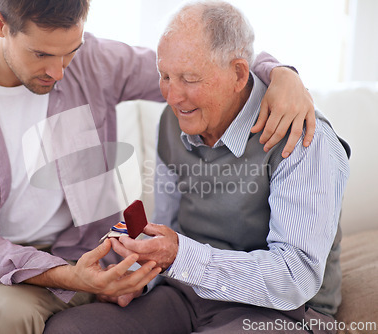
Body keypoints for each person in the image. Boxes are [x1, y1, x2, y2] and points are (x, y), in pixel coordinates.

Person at [0, 0, 316, 333]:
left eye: (70, 51)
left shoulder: (94, 62)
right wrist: (74, 278)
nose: (60, 71)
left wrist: (282, 75)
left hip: (72, 247)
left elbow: (200, 67)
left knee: (11, 313)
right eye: (41, 55)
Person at [42, 1, 350, 334]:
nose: (172, 96)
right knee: (68, 329)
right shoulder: (173, 121)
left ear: (238, 74)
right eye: (164, 76)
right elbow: (170, 226)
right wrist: (138, 278)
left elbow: (295, 278)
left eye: (189, 78)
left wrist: (178, 257)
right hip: (186, 296)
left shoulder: (300, 137)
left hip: (283, 313)